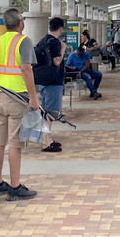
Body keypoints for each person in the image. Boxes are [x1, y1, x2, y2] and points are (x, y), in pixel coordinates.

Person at [0, 7, 39, 200]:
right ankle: (15, 187)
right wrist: (33, 97)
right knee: (15, 142)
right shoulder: (24, 40)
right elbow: (26, 69)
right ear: (20, 22)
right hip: (16, 97)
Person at [33, 17, 66, 153]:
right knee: (50, 114)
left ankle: (47, 139)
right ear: (60, 29)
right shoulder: (55, 43)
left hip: (44, 81)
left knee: (45, 112)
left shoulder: (43, 40)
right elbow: (57, 61)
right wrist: (63, 49)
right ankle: (46, 143)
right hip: (54, 82)